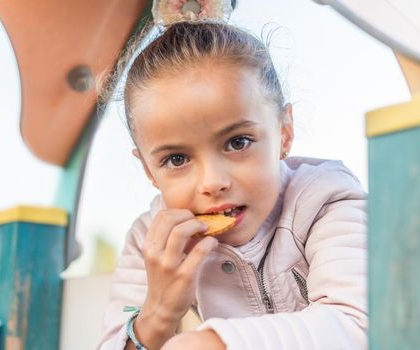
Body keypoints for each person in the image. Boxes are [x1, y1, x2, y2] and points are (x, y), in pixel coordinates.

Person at [98, 19, 367, 350]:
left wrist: (212, 344)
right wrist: (159, 313)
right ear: (149, 171)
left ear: (284, 133)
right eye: (177, 160)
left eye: (238, 142)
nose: (213, 183)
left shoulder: (327, 200)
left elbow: (358, 325)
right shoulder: (150, 241)